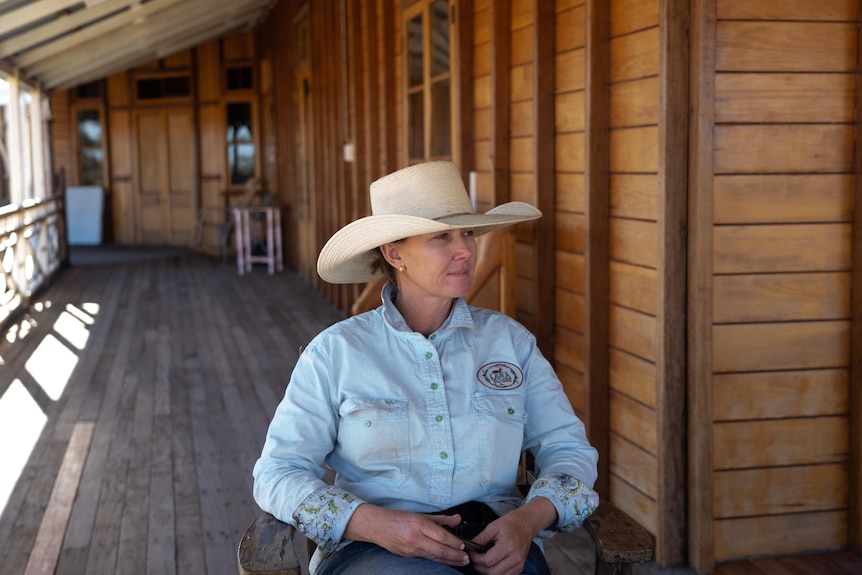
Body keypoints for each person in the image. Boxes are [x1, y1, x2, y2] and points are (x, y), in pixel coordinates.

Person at [253, 160, 599, 575]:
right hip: (375, 552)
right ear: (394, 252)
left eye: (468, 233)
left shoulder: (511, 344)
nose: (465, 251)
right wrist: (374, 524)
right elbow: (277, 473)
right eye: (442, 237)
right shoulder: (335, 353)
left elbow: (569, 449)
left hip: (498, 546)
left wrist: (528, 521)